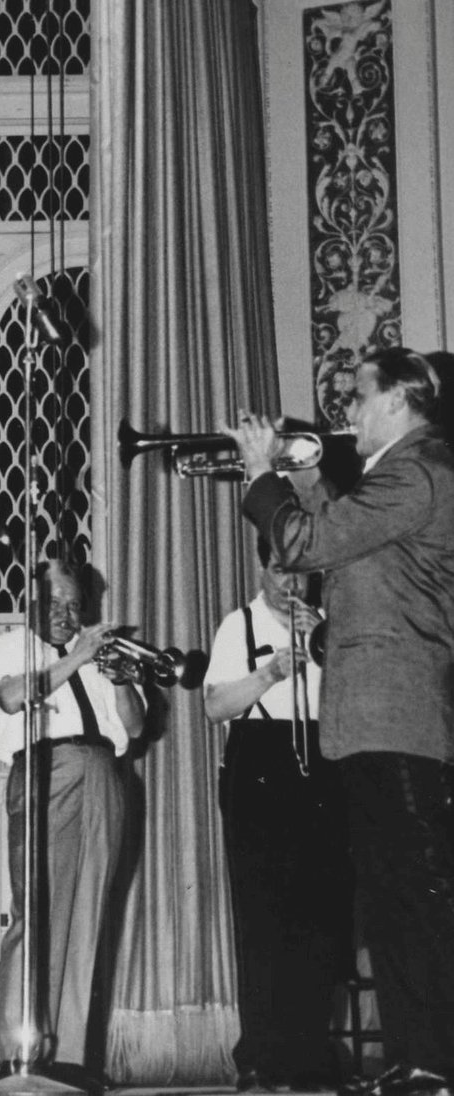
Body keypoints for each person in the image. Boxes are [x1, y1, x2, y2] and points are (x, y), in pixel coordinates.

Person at [226, 347, 454, 1096]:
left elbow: (302, 543)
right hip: (376, 716)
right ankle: (414, 1057)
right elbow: (341, 543)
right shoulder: (401, 476)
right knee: (392, 901)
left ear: (397, 401)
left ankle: (432, 1059)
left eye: (358, 397)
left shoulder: (415, 471)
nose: (345, 412)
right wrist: (300, 475)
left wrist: (261, 472)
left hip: (399, 715)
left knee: (411, 901)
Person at [0, 560, 144, 1096]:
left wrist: (119, 681)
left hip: (104, 774)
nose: (64, 614)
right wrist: (78, 657)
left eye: (74, 605)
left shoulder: (96, 657)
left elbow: (136, 728)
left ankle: (69, 1059)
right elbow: (8, 697)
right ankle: (21, 1055)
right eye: (53, 603)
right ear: (30, 604)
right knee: (37, 913)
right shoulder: (11, 647)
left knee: (91, 915)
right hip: (45, 770)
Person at [203, 542, 351, 1093]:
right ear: (261, 568)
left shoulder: (330, 622)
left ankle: (310, 1051)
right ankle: (261, 1054)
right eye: (278, 569)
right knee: (262, 913)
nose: (289, 582)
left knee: (319, 912)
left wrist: (329, 644)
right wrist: (269, 673)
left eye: (300, 571)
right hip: (259, 765)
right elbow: (215, 706)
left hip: (322, 761)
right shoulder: (235, 625)